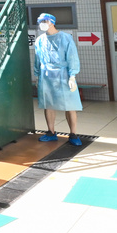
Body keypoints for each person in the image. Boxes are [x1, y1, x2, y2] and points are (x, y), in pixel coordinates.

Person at [34, 13, 82, 146]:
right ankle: (51, 132)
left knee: (70, 105)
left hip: (63, 75)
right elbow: (37, 59)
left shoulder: (65, 38)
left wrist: (72, 76)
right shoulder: (40, 40)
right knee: (48, 104)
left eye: (45, 21)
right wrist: (37, 75)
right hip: (46, 76)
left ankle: (73, 134)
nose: (42, 24)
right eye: (40, 21)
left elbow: (72, 57)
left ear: (52, 22)